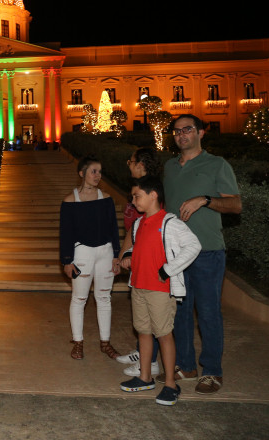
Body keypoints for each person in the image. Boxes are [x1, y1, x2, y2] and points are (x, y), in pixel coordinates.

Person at [158, 114, 241, 395]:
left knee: (208, 313)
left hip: (207, 252)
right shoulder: (169, 167)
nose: (181, 135)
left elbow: (235, 205)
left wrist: (204, 200)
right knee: (180, 313)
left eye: (187, 129)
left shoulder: (217, 164)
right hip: (175, 254)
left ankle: (212, 371)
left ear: (201, 133)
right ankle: (186, 366)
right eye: (176, 131)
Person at [119, 176, 201, 406]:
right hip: (139, 287)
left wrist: (168, 270)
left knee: (164, 335)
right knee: (143, 332)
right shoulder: (139, 223)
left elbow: (193, 245)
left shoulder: (170, 222)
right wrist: (128, 256)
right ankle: (145, 377)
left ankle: (171, 385)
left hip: (160, 289)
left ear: (153, 195)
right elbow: (139, 247)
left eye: (137, 196)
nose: (133, 201)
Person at [59, 156, 121, 361]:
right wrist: (67, 260)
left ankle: (105, 342)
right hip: (82, 254)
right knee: (79, 298)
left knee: (104, 298)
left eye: (100, 171)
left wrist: (116, 255)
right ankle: (78, 342)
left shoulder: (106, 199)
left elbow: (113, 229)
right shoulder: (70, 201)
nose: (98, 175)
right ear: (82, 173)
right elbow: (66, 233)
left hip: (105, 252)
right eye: (93, 171)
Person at [117, 147, 163, 377]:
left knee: (151, 313)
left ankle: (150, 361)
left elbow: (140, 228)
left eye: (131, 161)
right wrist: (123, 255)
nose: (129, 165)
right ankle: (142, 352)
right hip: (136, 255)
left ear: (141, 165)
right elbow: (132, 229)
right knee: (142, 313)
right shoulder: (138, 189)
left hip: (147, 260)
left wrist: (124, 255)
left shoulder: (147, 193)